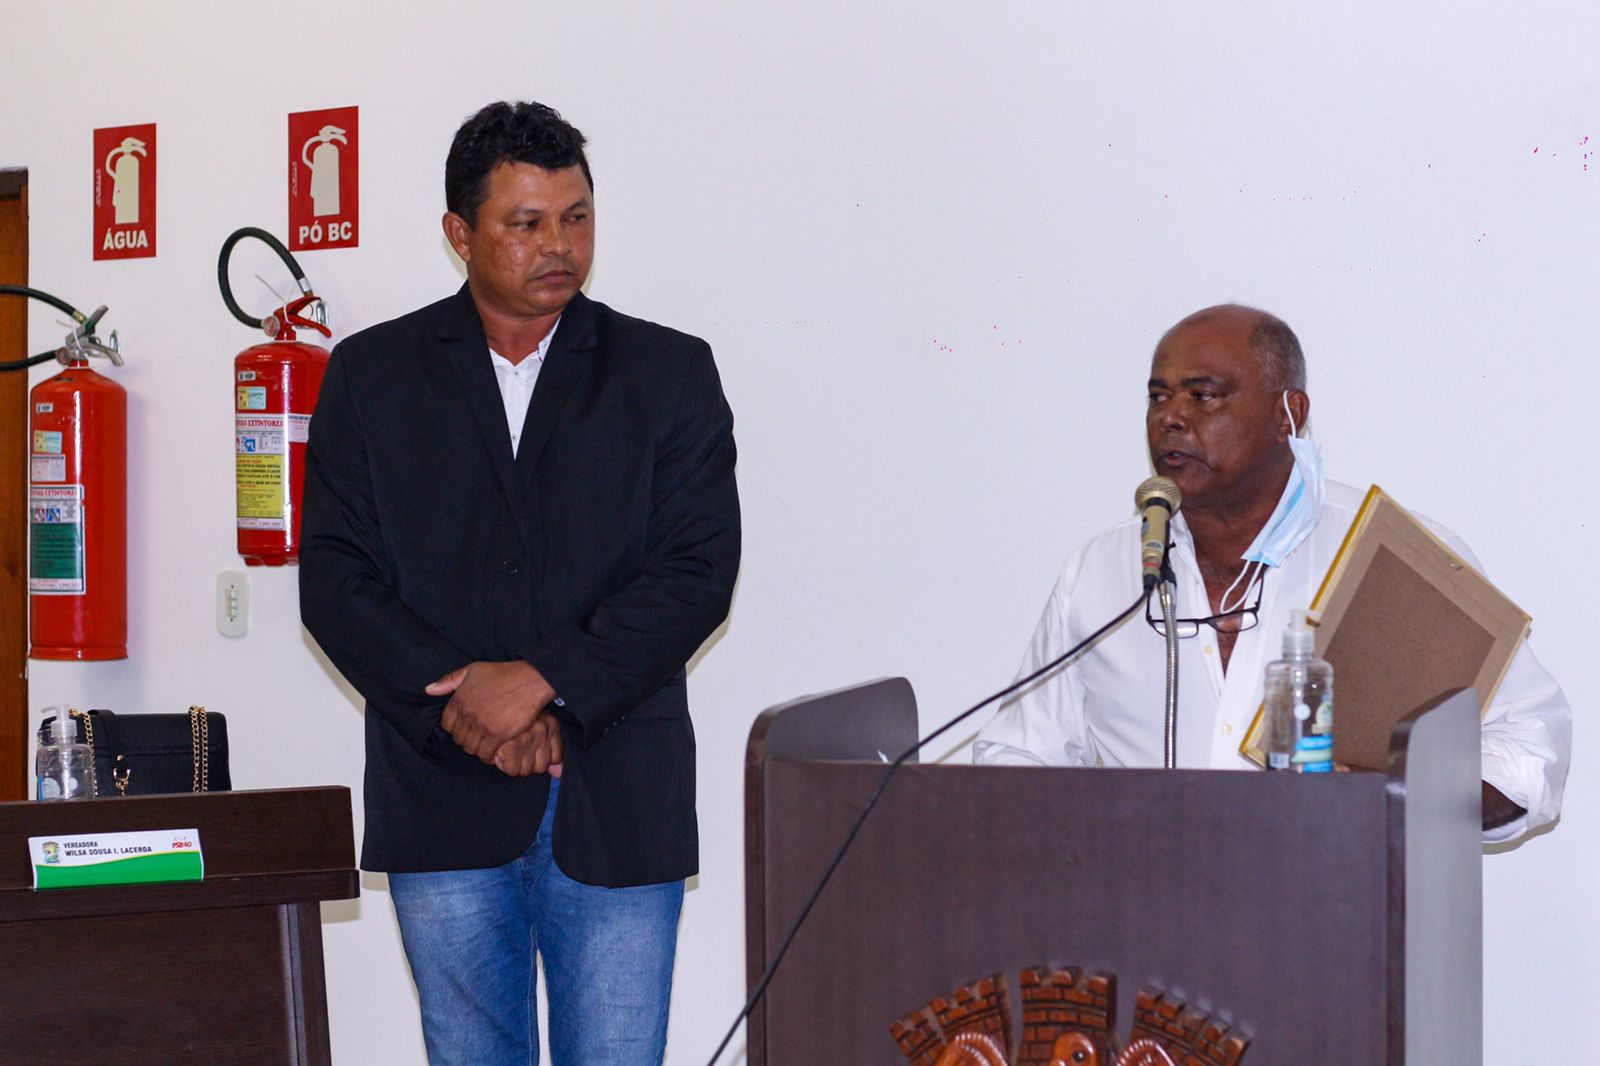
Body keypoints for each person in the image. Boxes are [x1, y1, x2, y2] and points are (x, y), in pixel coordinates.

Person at [299, 100, 740, 1064]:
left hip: (617, 791)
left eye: (576, 217)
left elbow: (697, 571)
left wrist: (542, 681)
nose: (560, 246)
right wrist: (466, 701)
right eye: (527, 223)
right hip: (441, 792)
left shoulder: (666, 372)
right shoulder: (372, 375)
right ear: (460, 235)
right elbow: (335, 579)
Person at [973, 304, 1568, 842]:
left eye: (1204, 396)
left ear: (1289, 413)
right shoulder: (1101, 573)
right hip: (1144, 913)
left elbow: (1530, 749)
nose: (1171, 418)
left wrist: (1388, 798)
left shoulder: (1395, 560)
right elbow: (1017, 758)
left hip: (1339, 912)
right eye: (1158, 397)